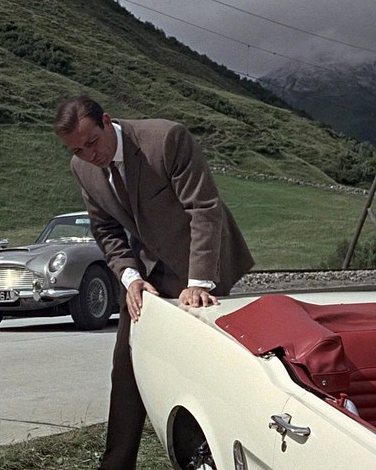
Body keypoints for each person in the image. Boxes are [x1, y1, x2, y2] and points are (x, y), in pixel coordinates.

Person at [53, 95, 254, 469]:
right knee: (126, 367)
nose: (89, 155)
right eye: (77, 150)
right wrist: (130, 278)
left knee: (201, 369)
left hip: (199, 262)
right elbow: (106, 230)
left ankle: (211, 458)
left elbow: (204, 209)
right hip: (146, 273)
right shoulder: (82, 169)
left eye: (92, 143)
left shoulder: (166, 139)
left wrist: (199, 282)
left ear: (107, 121)